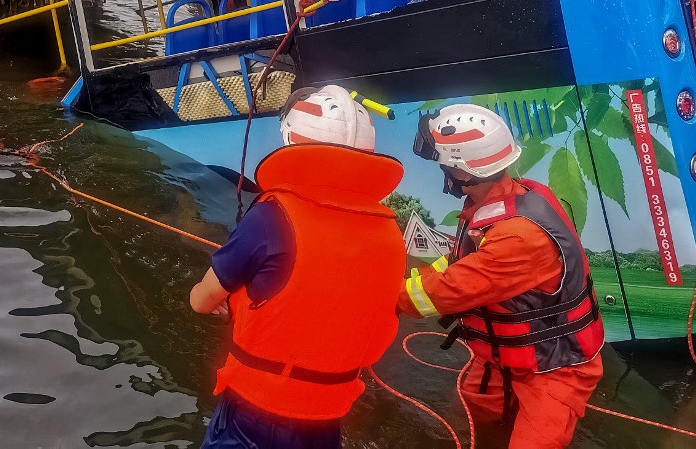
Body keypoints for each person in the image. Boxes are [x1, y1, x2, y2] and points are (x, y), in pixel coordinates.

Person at [189, 85, 407, 449]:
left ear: (292, 138)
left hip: (256, 411)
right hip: (327, 413)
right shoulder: (389, 229)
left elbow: (201, 300)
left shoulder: (272, 216)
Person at [399, 104, 604, 449]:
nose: (442, 169)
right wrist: (405, 278)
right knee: (468, 422)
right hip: (502, 361)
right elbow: (455, 264)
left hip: (554, 370)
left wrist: (387, 296)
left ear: (463, 172)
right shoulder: (497, 204)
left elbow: (446, 290)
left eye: (445, 162)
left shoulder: (518, 237)